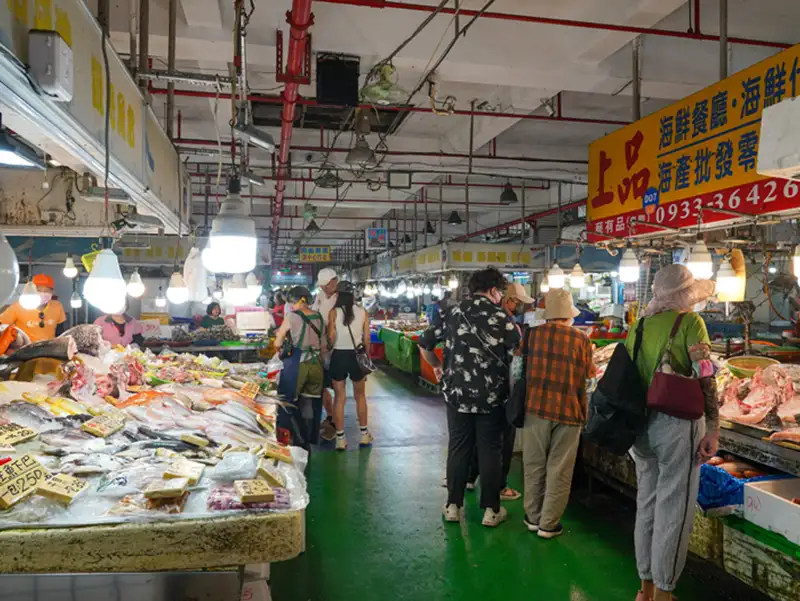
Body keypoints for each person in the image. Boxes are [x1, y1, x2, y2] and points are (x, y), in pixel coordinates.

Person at [625, 264, 718, 601]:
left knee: (646, 504)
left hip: (640, 428)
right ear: (686, 295)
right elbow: (706, 376)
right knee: (674, 509)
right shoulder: (691, 323)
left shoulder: (638, 325)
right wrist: (715, 427)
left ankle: (645, 589)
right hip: (677, 426)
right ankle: (664, 594)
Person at [419, 267, 520, 527]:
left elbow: (425, 342)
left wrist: (437, 366)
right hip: (492, 396)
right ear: (495, 290)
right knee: (490, 450)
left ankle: (453, 505)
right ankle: (491, 510)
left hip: (457, 394)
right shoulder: (503, 317)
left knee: (458, 446)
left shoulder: (452, 312)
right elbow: (517, 353)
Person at [517, 288, 594, 539]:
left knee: (534, 463)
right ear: (569, 316)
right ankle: (548, 524)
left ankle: (532, 516)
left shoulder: (530, 336)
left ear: (548, 314)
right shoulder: (581, 339)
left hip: (535, 408)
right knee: (559, 468)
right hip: (569, 411)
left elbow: (518, 368)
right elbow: (590, 377)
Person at [274, 286, 325, 450]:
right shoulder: (319, 317)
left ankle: (296, 439)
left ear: (300, 300)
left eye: (292, 302)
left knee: (287, 401)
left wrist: (278, 347)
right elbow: (324, 344)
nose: (291, 306)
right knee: (312, 402)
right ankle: (310, 438)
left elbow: (278, 341)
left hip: (298, 364)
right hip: (317, 364)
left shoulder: (291, 317)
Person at [327, 281, 373, 451]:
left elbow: (331, 337)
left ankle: (340, 438)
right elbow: (367, 339)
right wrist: (366, 357)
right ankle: (363, 435)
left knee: (339, 397)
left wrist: (331, 345)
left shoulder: (333, 313)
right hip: (356, 356)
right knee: (360, 395)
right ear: (353, 295)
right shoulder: (363, 313)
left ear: (338, 295)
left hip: (339, 355)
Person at [313, 268, 339, 441]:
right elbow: (315, 315)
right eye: (321, 286)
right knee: (322, 386)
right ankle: (330, 417)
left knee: (338, 388)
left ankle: (336, 423)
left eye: (326, 286)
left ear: (334, 281)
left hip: (338, 348)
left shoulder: (342, 299)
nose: (323, 289)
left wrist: (329, 342)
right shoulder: (320, 296)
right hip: (322, 347)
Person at [0, 274, 66, 343]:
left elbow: (60, 332)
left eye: (47, 290)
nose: (43, 293)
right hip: (26, 349)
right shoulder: (18, 306)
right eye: (38, 289)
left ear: (52, 292)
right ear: (30, 291)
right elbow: (1, 323)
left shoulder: (57, 306)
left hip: (49, 349)